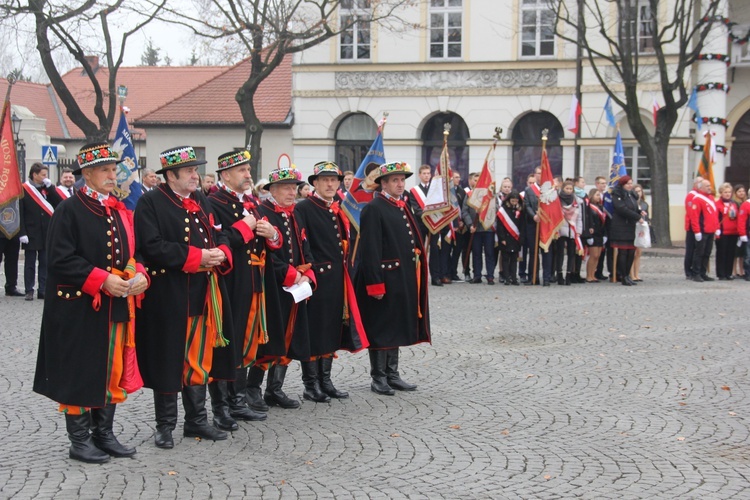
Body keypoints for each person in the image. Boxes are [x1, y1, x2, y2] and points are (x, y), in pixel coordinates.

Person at [33, 142, 149, 463]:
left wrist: (138, 273)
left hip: (116, 306)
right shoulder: (69, 210)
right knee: (81, 370)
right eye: (105, 171)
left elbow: (133, 253)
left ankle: (104, 433)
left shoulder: (117, 209)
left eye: (114, 170)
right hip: (79, 308)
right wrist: (102, 279)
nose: (113, 176)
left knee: (111, 369)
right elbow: (59, 259)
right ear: (87, 174)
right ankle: (79, 439)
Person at [135, 145, 236, 449]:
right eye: (190, 171)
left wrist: (221, 251)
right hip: (169, 295)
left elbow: (219, 232)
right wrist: (197, 256)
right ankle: (165, 426)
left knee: (198, 359)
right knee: (169, 359)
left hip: (202, 294)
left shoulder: (200, 200)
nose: (196, 176)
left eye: (195, 170)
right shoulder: (150, 203)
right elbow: (152, 246)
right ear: (170, 175)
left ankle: (196, 420)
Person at [207, 150, 277, 429]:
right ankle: (222, 407)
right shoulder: (213, 201)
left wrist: (271, 235)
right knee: (228, 343)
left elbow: (269, 236)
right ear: (225, 175)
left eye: (248, 169)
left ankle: (237, 400)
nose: (248, 175)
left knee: (246, 341)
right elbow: (218, 240)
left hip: (253, 280)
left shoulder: (250, 201)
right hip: (230, 281)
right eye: (242, 170)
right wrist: (245, 228)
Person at [295, 161, 368, 401]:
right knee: (316, 330)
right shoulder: (304, 208)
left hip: (337, 278)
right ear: (314, 183)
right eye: (324, 180)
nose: (330, 184)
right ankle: (311, 384)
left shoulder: (335, 208)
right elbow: (303, 245)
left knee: (332, 328)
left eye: (334, 180)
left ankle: (326, 380)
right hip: (317, 279)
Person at [356, 161, 430, 396]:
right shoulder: (374, 208)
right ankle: (378, 377)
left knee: (396, 324)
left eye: (402, 180)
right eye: (395, 181)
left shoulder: (401, 205)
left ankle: (392, 374)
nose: (400, 184)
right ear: (383, 184)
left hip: (402, 278)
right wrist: (374, 284)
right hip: (384, 280)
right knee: (381, 327)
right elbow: (370, 250)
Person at [256, 166, 317, 409]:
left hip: (296, 288)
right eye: (286, 187)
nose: (292, 192)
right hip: (274, 286)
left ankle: (275, 389)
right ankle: (252, 389)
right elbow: (267, 257)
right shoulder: (263, 212)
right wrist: (291, 275)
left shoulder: (296, 213)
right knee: (269, 338)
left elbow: (305, 247)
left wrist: (309, 274)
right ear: (272, 190)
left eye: (294, 187)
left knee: (290, 338)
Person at [19, 162, 64, 300]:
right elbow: (21, 212)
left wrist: (50, 188)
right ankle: (29, 290)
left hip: (46, 232)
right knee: (30, 263)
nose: (45, 177)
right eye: (43, 175)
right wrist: (22, 233)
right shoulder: (24, 189)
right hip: (31, 232)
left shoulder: (47, 188)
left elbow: (59, 203)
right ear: (35, 175)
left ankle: (42, 289)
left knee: (44, 262)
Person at [462, 172, 496, 284]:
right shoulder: (470, 194)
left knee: (489, 253)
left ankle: (490, 275)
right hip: (475, 229)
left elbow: (496, 209)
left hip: (488, 228)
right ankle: (477, 275)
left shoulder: (490, 195)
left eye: (479, 180)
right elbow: (465, 211)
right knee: (476, 253)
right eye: (476, 180)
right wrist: (470, 224)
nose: (477, 182)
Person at [610, 175, 644, 286]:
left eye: (631, 183)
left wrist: (640, 213)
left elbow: (635, 207)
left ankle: (628, 276)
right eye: (628, 184)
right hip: (621, 226)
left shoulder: (632, 194)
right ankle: (623, 275)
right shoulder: (617, 194)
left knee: (631, 252)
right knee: (623, 252)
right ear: (622, 184)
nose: (630, 185)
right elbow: (621, 209)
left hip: (631, 226)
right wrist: (637, 217)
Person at [523, 166, 552, 286]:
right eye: (539, 174)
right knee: (533, 252)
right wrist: (533, 216)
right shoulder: (529, 190)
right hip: (533, 224)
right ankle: (533, 277)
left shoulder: (550, 189)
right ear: (535, 175)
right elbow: (527, 205)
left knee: (546, 252)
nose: (541, 176)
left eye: (542, 173)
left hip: (546, 226)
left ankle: (546, 278)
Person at [688, 178, 720, 282]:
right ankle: (696, 273)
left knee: (707, 253)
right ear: (701, 187)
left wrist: (717, 228)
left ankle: (703, 272)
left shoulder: (710, 198)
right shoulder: (697, 199)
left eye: (710, 186)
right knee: (699, 253)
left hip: (710, 231)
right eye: (707, 186)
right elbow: (695, 217)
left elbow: (714, 215)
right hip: (702, 231)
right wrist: (697, 231)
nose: (710, 188)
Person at [556, 180, 583, 286]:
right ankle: (559, 274)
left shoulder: (576, 201)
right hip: (561, 229)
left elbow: (579, 217)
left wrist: (579, 231)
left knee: (572, 254)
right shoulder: (557, 200)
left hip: (572, 229)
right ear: (563, 189)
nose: (568, 191)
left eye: (570, 189)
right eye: (566, 189)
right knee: (560, 254)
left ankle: (568, 275)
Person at [496, 190, 523, 285]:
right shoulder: (503, 210)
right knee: (505, 259)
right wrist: (502, 238)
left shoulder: (519, 210)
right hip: (506, 238)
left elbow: (521, 225)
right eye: (513, 201)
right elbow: (500, 226)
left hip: (515, 238)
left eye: (516, 201)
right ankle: (507, 277)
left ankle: (514, 278)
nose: (514, 203)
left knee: (514, 260)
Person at [714, 183, 739, 281]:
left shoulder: (734, 203)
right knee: (722, 253)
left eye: (729, 192)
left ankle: (728, 273)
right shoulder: (717, 204)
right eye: (725, 192)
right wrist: (717, 230)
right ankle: (721, 273)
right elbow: (715, 218)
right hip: (722, 232)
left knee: (730, 253)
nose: (728, 194)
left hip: (733, 232)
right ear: (721, 193)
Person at [584, 189, 607, 283]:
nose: (599, 197)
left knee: (598, 256)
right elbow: (588, 220)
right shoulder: (589, 207)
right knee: (594, 255)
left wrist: (605, 234)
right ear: (592, 195)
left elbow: (604, 222)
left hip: (600, 233)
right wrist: (588, 235)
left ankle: (593, 275)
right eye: (597, 195)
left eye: (599, 195)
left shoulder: (601, 207)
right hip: (593, 234)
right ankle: (588, 275)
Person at [683, 177, 704, 279]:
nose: (701, 184)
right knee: (690, 249)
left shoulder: (701, 196)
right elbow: (691, 212)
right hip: (691, 226)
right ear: (695, 184)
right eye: (700, 182)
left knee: (697, 249)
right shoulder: (691, 195)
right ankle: (688, 271)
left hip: (700, 226)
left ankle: (697, 269)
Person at [630, 184, 650, 282]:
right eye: (636, 191)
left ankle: (636, 274)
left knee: (638, 253)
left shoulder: (644, 204)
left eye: (640, 191)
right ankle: (631, 274)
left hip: (641, 229)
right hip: (633, 228)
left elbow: (646, 217)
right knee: (632, 253)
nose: (638, 193)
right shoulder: (631, 203)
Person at [733, 184, 747, 278]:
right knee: (735, 253)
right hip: (736, 230)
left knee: (742, 253)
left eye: (743, 191)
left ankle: (741, 270)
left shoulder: (745, 202)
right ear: (736, 193)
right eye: (739, 191)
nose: (741, 193)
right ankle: (734, 271)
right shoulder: (734, 203)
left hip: (745, 230)